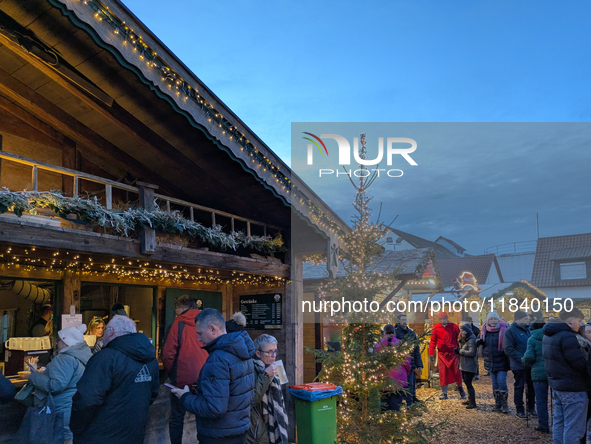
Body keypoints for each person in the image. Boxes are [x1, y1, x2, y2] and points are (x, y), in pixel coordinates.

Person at [70, 315, 159, 444]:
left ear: (111, 332)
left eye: (105, 330)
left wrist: (77, 428)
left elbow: (87, 399)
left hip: (101, 434)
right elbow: (152, 393)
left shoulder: (104, 358)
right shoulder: (151, 359)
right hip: (134, 434)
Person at [171, 308, 255, 444]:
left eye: (199, 333)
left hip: (218, 436)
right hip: (239, 432)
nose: (198, 339)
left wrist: (185, 397)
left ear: (212, 329)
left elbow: (214, 408)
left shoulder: (218, 359)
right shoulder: (243, 353)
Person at [26, 324, 92, 444]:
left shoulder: (65, 358)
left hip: (58, 409)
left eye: (59, 340)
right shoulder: (82, 356)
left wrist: (34, 375)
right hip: (72, 407)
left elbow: (55, 385)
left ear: (66, 342)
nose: (57, 343)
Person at [161, 295, 208, 444]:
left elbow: (168, 354)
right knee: (203, 416)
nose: (175, 311)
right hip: (204, 378)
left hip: (181, 380)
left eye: (176, 308)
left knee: (176, 418)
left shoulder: (177, 324)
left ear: (182, 308)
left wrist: (172, 374)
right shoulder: (207, 322)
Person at [543, 307, 589, 444]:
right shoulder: (567, 336)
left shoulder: (549, 334)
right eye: (579, 321)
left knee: (560, 422)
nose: (581, 324)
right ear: (571, 321)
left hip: (557, 386)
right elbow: (578, 363)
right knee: (574, 427)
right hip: (573, 388)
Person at [247, 334, 288, 444]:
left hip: (272, 420)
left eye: (275, 351)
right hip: (256, 426)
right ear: (258, 353)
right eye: (269, 352)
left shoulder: (276, 366)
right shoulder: (251, 368)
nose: (273, 355)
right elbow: (252, 399)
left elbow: (280, 398)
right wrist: (265, 376)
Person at [504, 310, 535, 419]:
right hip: (519, 365)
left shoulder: (529, 329)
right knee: (519, 386)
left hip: (530, 364)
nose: (528, 320)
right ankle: (519, 409)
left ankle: (531, 407)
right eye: (525, 319)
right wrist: (522, 359)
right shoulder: (510, 331)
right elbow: (508, 349)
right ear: (518, 320)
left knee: (532, 387)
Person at [478, 311, 510, 413]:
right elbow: (481, 342)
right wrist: (478, 343)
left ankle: (505, 404)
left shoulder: (504, 329)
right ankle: (498, 403)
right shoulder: (484, 330)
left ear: (498, 320)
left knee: (501, 381)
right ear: (488, 320)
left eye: (495, 319)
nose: (493, 321)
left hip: (502, 360)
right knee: (494, 383)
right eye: (491, 319)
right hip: (490, 360)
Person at [429, 312, 465, 400]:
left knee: (457, 372)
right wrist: (431, 353)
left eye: (444, 319)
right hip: (442, 354)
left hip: (453, 353)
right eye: (441, 319)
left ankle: (461, 390)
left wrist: (461, 349)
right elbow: (433, 341)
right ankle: (444, 393)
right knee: (442, 373)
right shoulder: (436, 328)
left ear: (447, 318)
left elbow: (459, 338)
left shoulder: (454, 326)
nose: (442, 321)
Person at [522, 318, 550, 434]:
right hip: (552, 371)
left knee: (541, 400)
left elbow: (529, 357)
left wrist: (523, 360)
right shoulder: (550, 337)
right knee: (557, 399)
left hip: (538, 373)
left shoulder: (532, 339)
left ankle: (543, 424)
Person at [376, 324, 412, 410]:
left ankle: (384, 420)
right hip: (398, 377)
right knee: (396, 404)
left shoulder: (378, 345)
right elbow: (407, 362)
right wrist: (406, 372)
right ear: (394, 332)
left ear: (384, 332)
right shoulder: (400, 344)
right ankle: (395, 420)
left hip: (383, 378)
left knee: (384, 403)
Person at [395, 313, 422, 404]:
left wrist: (419, 364)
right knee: (401, 383)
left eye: (405, 320)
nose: (404, 322)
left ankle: (411, 401)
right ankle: (402, 401)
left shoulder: (412, 333)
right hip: (401, 363)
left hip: (411, 363)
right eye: (402, 320)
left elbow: (416, 350)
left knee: (411, 383)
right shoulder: (396, 333)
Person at [455, 323, 478, 409]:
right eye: (461, 330)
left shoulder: (471, 339)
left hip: (470, 365)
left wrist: (460, 351)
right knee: (466, 382)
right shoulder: (464, 339)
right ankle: (470, 400)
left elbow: (472, 353)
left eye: (464, 330)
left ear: (468, 330)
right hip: (464, 365)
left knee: (468, 383)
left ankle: (473, 403)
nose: (462, 332)